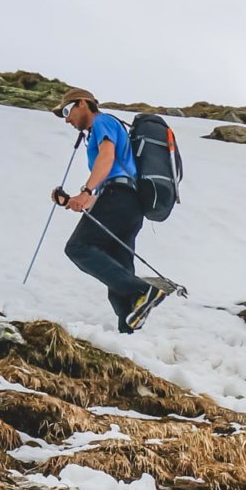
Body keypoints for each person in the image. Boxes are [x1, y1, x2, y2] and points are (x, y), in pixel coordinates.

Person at [55, 88, 170, 333]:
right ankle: (128, 336)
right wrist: (69, 201)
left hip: (117, 198)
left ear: (83, 104)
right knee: (118, 279)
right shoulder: (104, 128)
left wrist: (86, 191)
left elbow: (106, 159)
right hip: (129, 206)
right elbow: (106, 184)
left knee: (77, 248)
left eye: (67, 110)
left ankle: (142, 290)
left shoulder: (102, 121)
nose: (66, 119)